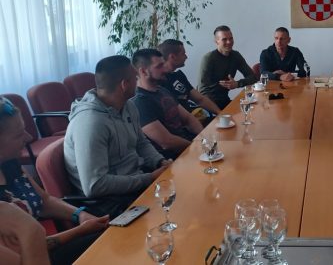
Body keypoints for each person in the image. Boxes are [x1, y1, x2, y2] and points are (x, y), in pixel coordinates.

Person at [0, 97, 109, 265]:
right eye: (18, 135)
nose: (28, 137)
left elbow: (45, 201)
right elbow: (25, 252)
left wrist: (80, 214)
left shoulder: (10, 163)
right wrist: (80, 230)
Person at [64, 56, 171, 213]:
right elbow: (95, 185)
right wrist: (148, 178)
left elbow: (141, 143)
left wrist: (160, 162)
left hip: (135, 184)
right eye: (135, 78)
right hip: (111, 203)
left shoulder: (128, 106)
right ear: (124, 85)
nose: (138, 82)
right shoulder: (91, 123)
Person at [132, 49, 204, 159]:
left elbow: (188, 118)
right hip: (171, 160)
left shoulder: (162, 90)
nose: (165, 69)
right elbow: (166, 142)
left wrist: (204, 138)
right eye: (159, 66)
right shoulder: (139, 102)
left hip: (189, 148)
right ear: (143, 71)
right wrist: (196, 147)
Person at [158, 39, 221, 120]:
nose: (186, 57)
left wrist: (220, 113)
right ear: (172, 57)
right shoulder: (159, 84)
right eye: (183, 54)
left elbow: (200, 99)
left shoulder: (179, 76)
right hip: (182, 124)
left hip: (194, 119)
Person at [198, 25, 258, 109]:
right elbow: (202, 90)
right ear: (216, 41)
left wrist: (237, 84)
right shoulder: (208, 58)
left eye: (231, 38)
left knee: (254, 109)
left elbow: (253, 77)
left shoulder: (236, 56)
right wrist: (217, 111)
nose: (229, 42)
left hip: (225, 101)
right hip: (210, 105)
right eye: (224, 39)